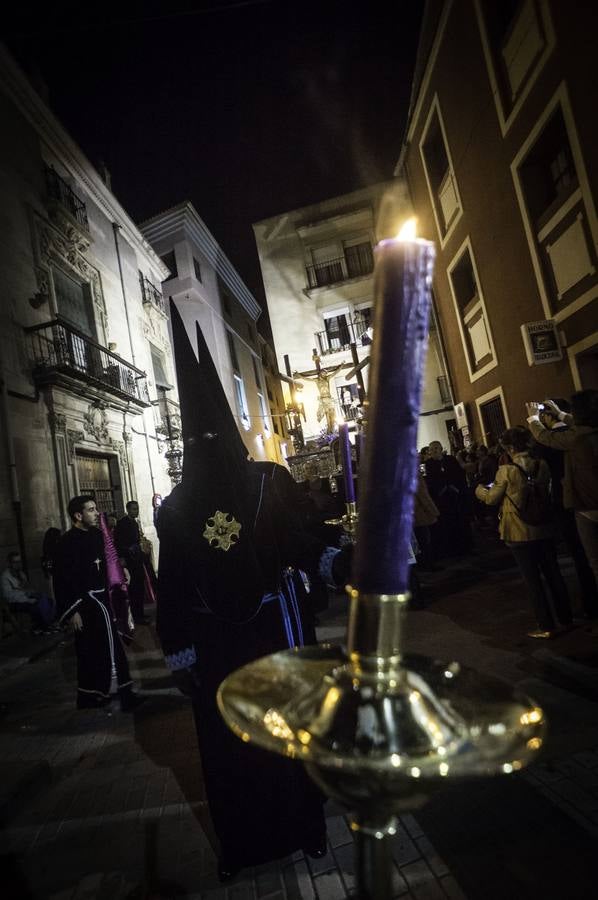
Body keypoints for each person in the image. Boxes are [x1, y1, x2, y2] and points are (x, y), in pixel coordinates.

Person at [157, 304, 351, 881]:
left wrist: (338, 561)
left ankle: (303, 827)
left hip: (271, 638)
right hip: (221, 647)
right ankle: (247, 843)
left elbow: (297, 541)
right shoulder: (177, 509)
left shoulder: (266, 483)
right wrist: (181, 650)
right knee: (232, 748)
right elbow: (173, 587)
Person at [476, 426, 572, 638]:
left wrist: (480, 490)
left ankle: (546, 625)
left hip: (518, 530)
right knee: (554, 573)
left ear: (510, 447)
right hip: (544, 526)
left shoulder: (507, 471)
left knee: (533, 581)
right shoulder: (542, 465)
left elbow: (492, 498)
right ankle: (566, 618)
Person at [53, 496, 143, 711]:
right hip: (85, 604)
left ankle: (118, 692)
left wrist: (123, 571)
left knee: (111, 647)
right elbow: (62, 579)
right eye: (91, 510)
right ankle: (93, 696)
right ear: (78, 515)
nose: (96, 514)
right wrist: (72, 611)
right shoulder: (66, 543)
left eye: (95, 509)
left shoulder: (97, 535)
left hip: (104, 600)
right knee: (89, 651)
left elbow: (110, 560)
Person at [527, 392, 598, 618]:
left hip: (582, 504)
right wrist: (560, 415)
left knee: (588, 560)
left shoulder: (572, 438)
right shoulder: (582, 431)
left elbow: (543, 439)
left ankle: (591, 605)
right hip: (583, 502)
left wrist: (533, 419)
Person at [115, 501, 152, 625]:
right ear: (128, 509)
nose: (136, 511)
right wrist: (127, 551)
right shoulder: (122, 524)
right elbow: (118, 543)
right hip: (129, 562)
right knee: (133, 590)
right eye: (133, 509)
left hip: (137, 561)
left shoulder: (135, 523)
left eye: (137, 509)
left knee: (140, 589)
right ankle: (136, 616)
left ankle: (140, 613)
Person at [0, 551, 55, 633]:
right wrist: (28, 599)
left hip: (25, 597)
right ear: (10, 563)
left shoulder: (20, 574)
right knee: (35, 607)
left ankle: (47, 623)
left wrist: (31, 593)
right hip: (14, 602)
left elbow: (27, 587)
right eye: (15, 562)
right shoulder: (5, 577)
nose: (18, 564)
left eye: (19, 562)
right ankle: (43, 626)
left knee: (48, 601)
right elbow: (9, 596)